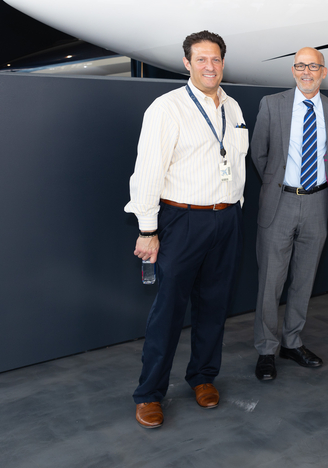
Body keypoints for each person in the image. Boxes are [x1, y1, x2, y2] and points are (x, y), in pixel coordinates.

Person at [127, 31, 249, 428]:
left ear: (223, 63)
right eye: (201, 59)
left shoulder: (232, 107)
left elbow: (236, 162)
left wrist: (235, 206)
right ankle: (149, 394)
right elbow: (148, 170)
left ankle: (203, 377)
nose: (210, 67)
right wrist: (148, 229)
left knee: (214, 305)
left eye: (216, 59)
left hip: (226, 220)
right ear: (187, 63)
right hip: (182, 221)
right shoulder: (167, 108)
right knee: (168, 311)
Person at [250, 47, 328, 381]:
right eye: (301, 66)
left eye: (313, 66)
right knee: (270, 282)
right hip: (281, 203)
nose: (307, 72)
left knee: (304, 280)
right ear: (293, 70)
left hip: (318, 203)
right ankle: (266, 348)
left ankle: (292, 342)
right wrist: (279, 185)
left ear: (323, 72)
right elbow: (259, 154)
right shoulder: (271, 104)